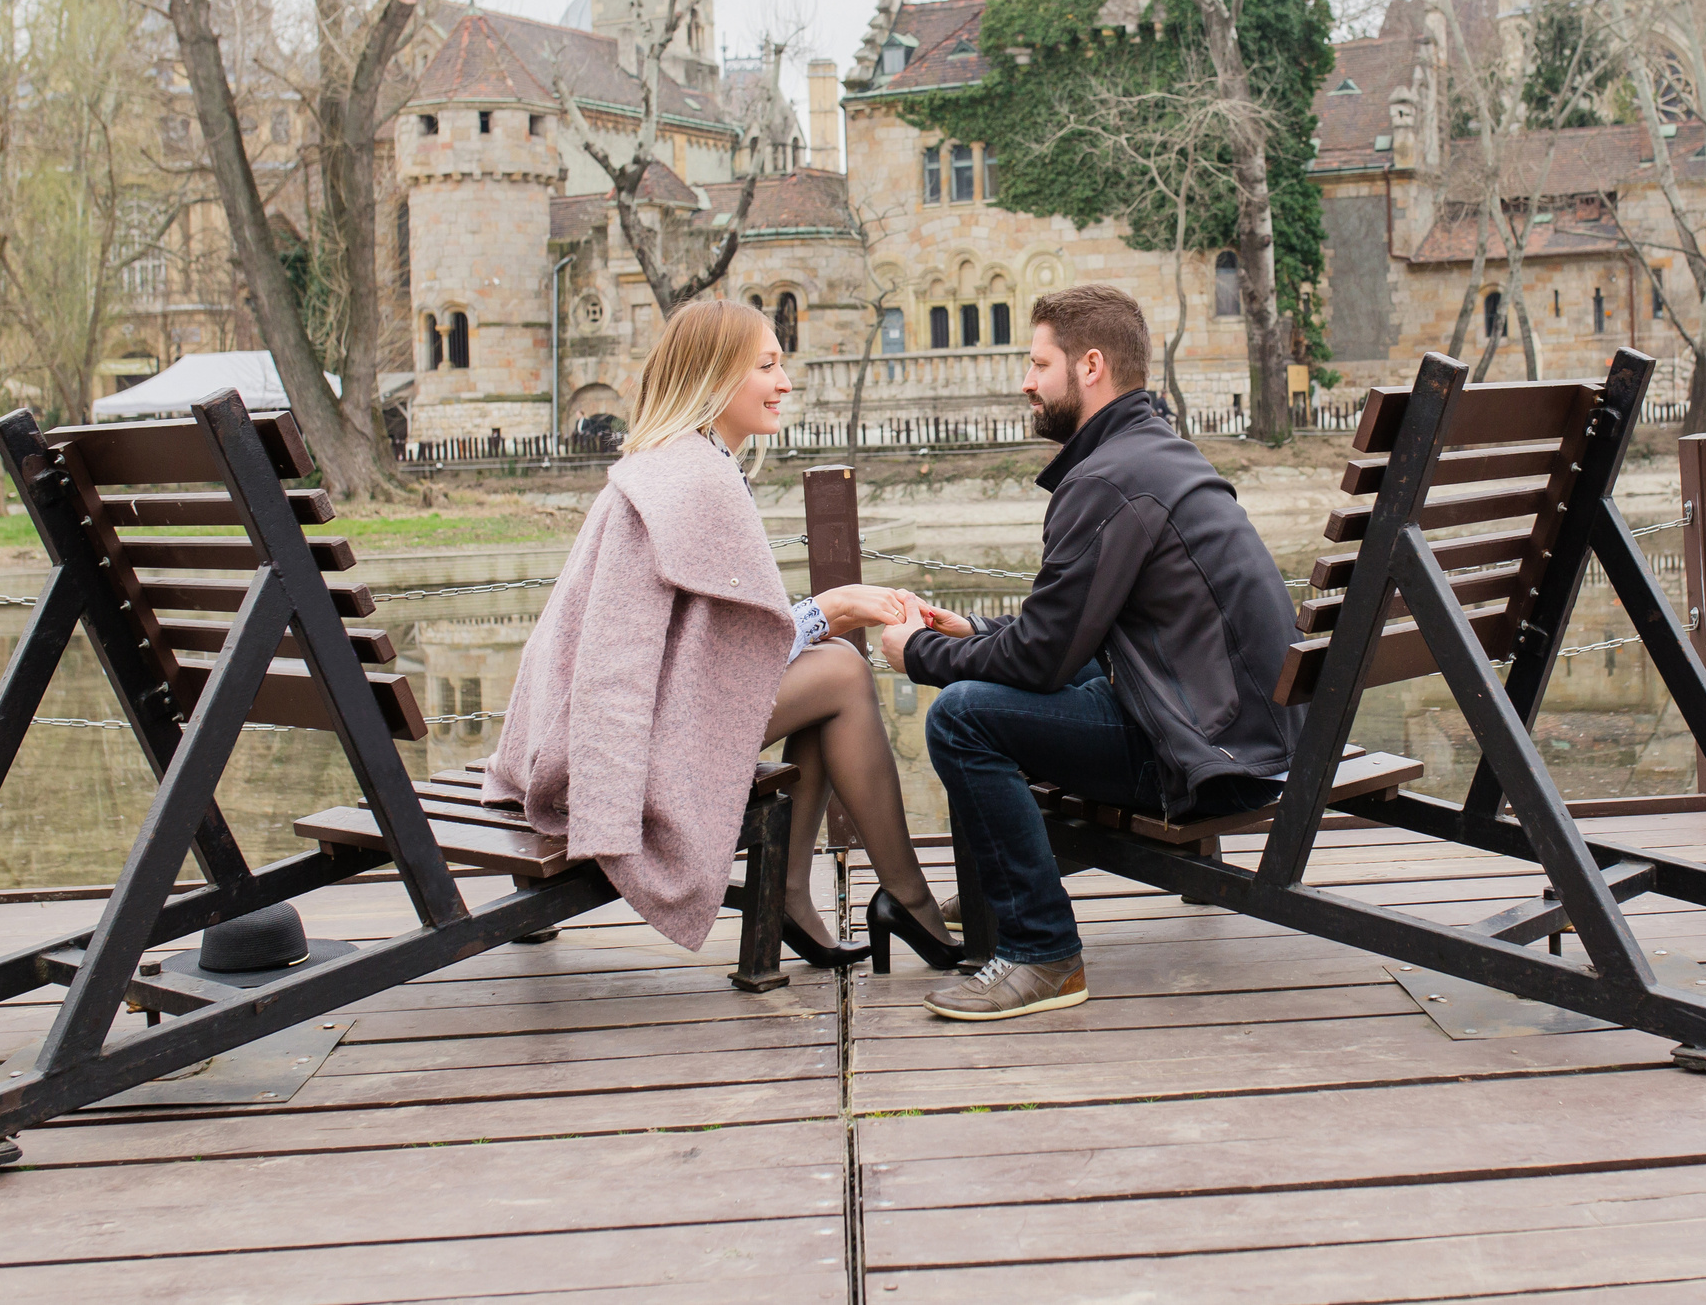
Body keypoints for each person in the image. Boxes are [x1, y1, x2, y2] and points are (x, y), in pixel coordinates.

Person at [485, 299, 960, 974]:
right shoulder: (698, 477)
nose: (784, 382)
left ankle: (800, 893)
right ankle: (903, 897)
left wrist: (833, 612)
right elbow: (723, 655)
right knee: (844, 673)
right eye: (766, 366)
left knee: (831, 671)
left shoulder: (671, 463)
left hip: (585, 730)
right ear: (714, 377)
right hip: (619, 743)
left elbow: (718, 646)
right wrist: (831, 607)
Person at [880, 285, 1302, 1021]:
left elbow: (1042, 659)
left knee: (961, 718)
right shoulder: (1156, 454)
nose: (1027, 381)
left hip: (1211, 758)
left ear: (1092, 366)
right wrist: (974, 631)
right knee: (1030, 683)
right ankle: (1005, 884)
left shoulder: (1106, 478)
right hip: (1253, 731)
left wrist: (918, 653)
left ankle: (1042, 949)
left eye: (1040, 364)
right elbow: (1068, 633)